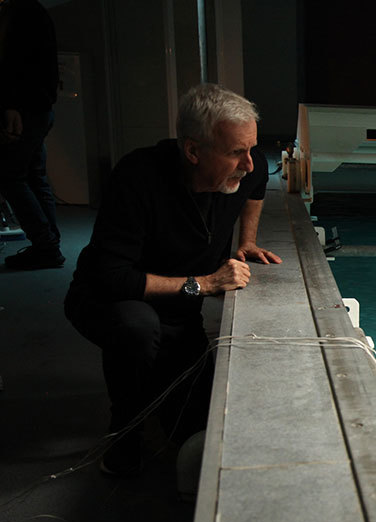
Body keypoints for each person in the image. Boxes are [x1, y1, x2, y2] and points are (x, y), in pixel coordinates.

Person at [65, 83, 281, 476]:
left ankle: (159, 396)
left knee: (194, 429)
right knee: (137, 329)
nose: (248, 163)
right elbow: (112, 277)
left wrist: (246, 241)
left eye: (251, 148)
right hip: (108, 299)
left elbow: (258, 184)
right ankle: (123, 430)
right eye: (236, 152)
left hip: (179, 310)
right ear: (193, 151)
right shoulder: (137, 176)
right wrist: (205, 283)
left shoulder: (248, 167)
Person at [0, 0, 63, 270]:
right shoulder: (33, 11)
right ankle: (48, 244)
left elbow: (14, 63)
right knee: (33, 176)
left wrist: (10, 105)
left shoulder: (20, 13)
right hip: (38, 107)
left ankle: (46, 245)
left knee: (12, 175)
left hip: (26, 109)